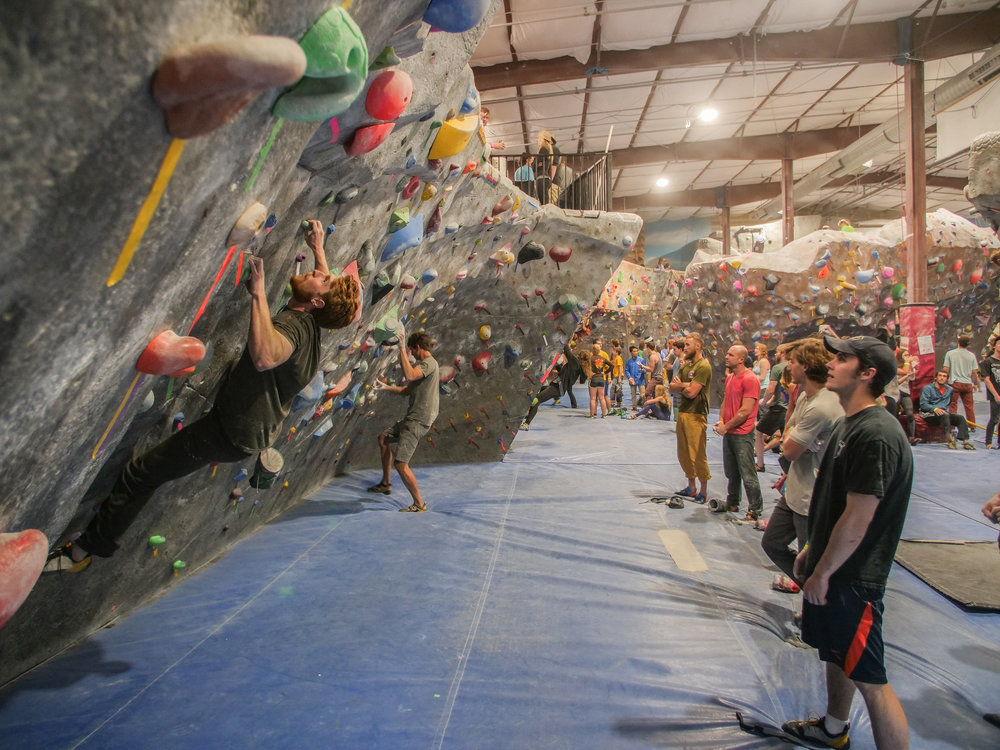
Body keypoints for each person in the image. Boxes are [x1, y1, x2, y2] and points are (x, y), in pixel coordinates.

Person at [46, 220, 361, 571]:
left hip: (230, 433)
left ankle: (83, 553)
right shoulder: (315, 321)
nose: (322, 272)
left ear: (316, 300)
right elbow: (324, 285)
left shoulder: (294, 328)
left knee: (142, 473)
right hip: (250, 427)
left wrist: (258, 292)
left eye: (325, 277)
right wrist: (318, 246)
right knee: (150, 468)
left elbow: (265, 356)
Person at [782, 335, 912, 750]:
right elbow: (835, 505)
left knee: (871, 679)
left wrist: (823, 572)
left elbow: (859, 516)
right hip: (834, 567)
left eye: (843, 358)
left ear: (867, 373)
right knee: (838, 656)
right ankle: (835, 729)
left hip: (854, 576)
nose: (832, 363)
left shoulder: (875, 433)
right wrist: (810, 550)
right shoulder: (847, 423)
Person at [761, 338, 843, 581]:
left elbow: (789, 450)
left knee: (812, 561)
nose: (788, 367)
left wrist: (791, 438)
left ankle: (817, 610)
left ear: (805, 366)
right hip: (795, 491)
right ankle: (806, 587)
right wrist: (791, 437)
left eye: (793, 362)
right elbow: (789, 435)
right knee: (773, 542)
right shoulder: (807, 397)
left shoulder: (822, 406)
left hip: (812, 499)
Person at [369, 331, 440, 512]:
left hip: (418, 420)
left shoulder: (429, 364)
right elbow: (406, 390)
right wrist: (386, 387)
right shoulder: (424, 367)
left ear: (417, 348)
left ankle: (419, 504)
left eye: (411, 351)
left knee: (401, 464)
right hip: (412, 418)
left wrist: (401, 349)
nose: (412, 355)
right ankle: (386, 483)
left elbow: (409, 375)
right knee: (383, 438)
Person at [713, 345, 763, 520]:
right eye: (727, 353)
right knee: (731, 471)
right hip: (730, 432)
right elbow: (726, 401)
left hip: (743, 433)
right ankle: (733, 502)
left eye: (731, 354)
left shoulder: (750, 379)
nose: (726, 357)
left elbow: (745, 411)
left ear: (741, 359)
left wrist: (726, 426)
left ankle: (755, 509)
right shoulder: (730, 378)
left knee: (747, 473)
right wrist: (721, 421)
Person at [670, 333, 712, 503]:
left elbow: (693, 393)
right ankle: (691, 487)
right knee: (684, 453)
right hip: (683, 412)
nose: (684, 348)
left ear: (698, 346)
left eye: (687, 345)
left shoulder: (703, 367)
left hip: (697, 414)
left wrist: (682, 386)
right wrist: (683, 386)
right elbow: (672, 387)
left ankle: (703, 490)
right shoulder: (686, 366)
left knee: (697, 454)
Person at [755, 343, 790, 471]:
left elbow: (771, 388)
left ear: (783, 354)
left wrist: (764, 401)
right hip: (788, 407)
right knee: (784, 436)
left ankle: (760, 464)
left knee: (759, 431)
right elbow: (783, 390)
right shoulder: (792, 366)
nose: (775, 354)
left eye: (777, 352)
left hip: (779, 408)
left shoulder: (778, 368)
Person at [919, 369, 975, 450]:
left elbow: (948, 402)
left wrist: (942, 409)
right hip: (928, 413)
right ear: (936, 378)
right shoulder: (927, 388)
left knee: (960, 418)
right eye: (940, 376)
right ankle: (950, 441)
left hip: (943, 412)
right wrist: (935, 409)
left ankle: (965, 442)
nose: (942, 378)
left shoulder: (950, 390)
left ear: (947, 379)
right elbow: (923, 404)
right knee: (945, 415)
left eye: (944, 376)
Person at [943, 335, 980, 427]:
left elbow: (946, 369)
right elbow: (974, 373)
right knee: (969, 406)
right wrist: (975, 384)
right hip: (967, 383)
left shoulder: (950, 353)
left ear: (958, 342)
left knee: (953, 405)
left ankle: (952, 426)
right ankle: (972, 426)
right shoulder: (972, 356)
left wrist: (943, 382)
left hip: (954, 383)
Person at [981, 337, 1000, 448]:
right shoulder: (988, 362)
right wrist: (995, 394)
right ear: (994, 346)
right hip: (995, 395)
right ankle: (988, 442)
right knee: (994, 419)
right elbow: (987, 380)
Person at [587, 338, 611, 418]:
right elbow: (612, 365)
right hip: (601, 379)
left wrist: (590, 373)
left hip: (593, 379)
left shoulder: (590, 358)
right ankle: (604, 414)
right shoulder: (602, 358)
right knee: (602, 398)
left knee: (593, 398)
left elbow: (586, 367)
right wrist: (605, 373)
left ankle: (591, 415)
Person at [896, 349, 917, 444]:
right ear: (900, 356)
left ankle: (911, 437)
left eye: (908, 355)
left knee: (910, 414)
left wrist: (911, 365)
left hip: (905, 392)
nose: (907, 356)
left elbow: (912, 377)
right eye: (905, 355)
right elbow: (897, 380)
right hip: (895, 392)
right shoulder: (896, 366)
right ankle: (895, 437)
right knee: (894, 414)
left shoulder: (909, 366)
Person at [558, 341, 582, 409]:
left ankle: (574, 404)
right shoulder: (572, 359)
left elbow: (564, 362)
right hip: (568, 374)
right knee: (569, 390)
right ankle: (574, 404)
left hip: (568, 375)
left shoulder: (572, 359)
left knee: (566, 390)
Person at [536, 130, 555, 205]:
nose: (537, 140)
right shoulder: (549, 149)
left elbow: (536, 164)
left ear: (542, 138)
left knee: (543, 203)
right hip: (546, 178)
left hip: (541, 178)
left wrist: (535, 164)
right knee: (545, 201)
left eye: (538, 138)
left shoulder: (543, 149)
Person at [624, 345, 646, 410]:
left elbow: (645, 369)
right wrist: (629, 377)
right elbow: (626, 370)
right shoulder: (628, 361)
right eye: (634, 351)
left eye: (636, 351)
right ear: (631, 352)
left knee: (643, 395)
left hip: (640, 380)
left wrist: (643, 371)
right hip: (632, 380)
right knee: (633, 394)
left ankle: (645, 407)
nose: (636, 352)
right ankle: (634, 407)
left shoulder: (641, 360)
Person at [609, 341, 625, 410]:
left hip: (618, 376)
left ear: (617, 352)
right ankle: (618, 402)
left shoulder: (618, 358)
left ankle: (614, 402)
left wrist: (619, 378)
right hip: (616, 375)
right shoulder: (616, 358)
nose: (613, 352)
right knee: (616, 389)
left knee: (615, 389)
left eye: (614, 351)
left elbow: (620, 367)